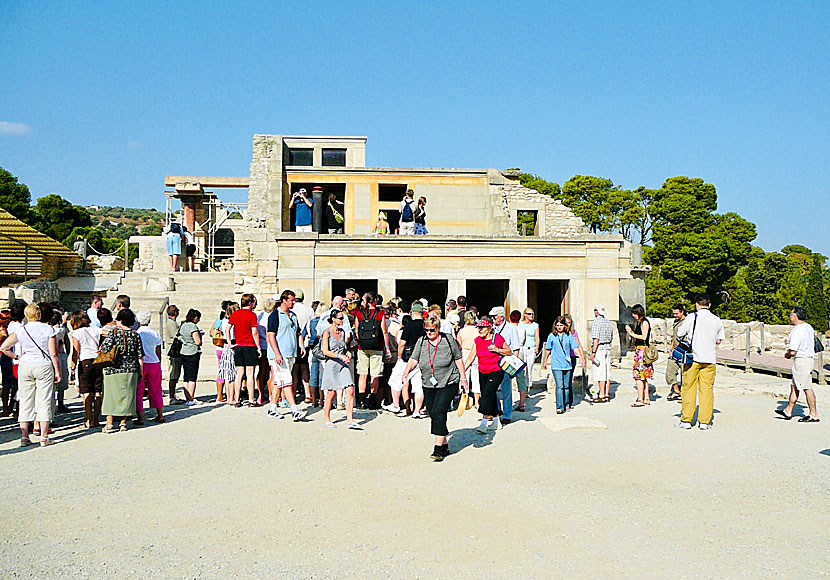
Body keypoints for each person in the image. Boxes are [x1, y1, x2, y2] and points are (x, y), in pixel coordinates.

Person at [402, 314, 467, 461]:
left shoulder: (448, 340)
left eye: (432, 330)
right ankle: (444, 444)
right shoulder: (422, 341)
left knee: (439, 410)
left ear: (438, 328)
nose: (429, 332)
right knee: (433, 412)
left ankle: (438, 448)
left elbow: (458, 358)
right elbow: (414, 359)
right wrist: (406, 372)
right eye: (426, 330)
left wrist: (463, 379)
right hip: (428, 382)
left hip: (449, 381)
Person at [0, 303, 60, 446]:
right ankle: (44, 436)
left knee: (26, 399)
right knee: (44, 399)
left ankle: (24, 436)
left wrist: (16, 356)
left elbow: (4, 347)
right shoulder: (48, 329)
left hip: (25, 364)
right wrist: (57, 371)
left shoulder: (21, 330)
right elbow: (53, 353)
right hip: (43, 364)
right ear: (39, 314)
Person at [676, 294, 725, 430]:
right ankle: (704, 421)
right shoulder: (717, 320)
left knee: (688, 388)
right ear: (709, 305)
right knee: (707, 390)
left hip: (693, 358)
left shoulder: (692, 317)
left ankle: (687, 419)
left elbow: (680, 333)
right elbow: (719, 340)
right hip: (709, 358)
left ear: (697, 304)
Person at [265, 290, 308, 421]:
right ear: (284, 300)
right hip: (279, 354)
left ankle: (272, 408)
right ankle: (294, 409)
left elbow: (298, 332)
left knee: (280, 381)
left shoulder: (293, 315)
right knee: (287, 381)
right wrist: (277, 353)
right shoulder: (275, 315)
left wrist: (301, 346)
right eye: (291, 300)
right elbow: (270, 335)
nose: (293, 302)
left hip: (290, 353)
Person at [464, 316, 512, 433]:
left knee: (486, 394)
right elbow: (471, 357)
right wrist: (463, 371)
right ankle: (496, 422)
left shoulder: (497, 338)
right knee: (490, 395)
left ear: (489, 328)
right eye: (478, 328)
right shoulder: (477, 340)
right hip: (483, 371)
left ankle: (484, 423)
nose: (480, 330)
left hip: (496, 371)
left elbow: (509, 351)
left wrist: (497, 349)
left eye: (482, 328)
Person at [99, 308, 143, 433]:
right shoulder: (136, 335)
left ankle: (109, 424)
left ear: (121, 320)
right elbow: (140, 355)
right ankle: (123, 422)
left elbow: (105, 348)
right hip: (131, 368)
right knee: (127, 396)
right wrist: (140, 371)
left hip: (113, 368)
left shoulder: (114, 332)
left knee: (110, 396)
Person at [777, 305, 820, 423]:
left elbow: (793, 350)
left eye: (791, 314)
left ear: (795, 316)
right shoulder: (808, 327)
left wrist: (787, 355)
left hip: (801, 360)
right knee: (794, 386)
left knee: (807, 387)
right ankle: (788, 410)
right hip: (808, 359)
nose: (790, 317)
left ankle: (813, 414)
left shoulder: (797, 330)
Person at [320, 308, 361, 428]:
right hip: (332, 364)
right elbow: (325, 351)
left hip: (343, 364)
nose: (343, 320)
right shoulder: (326, 332)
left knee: (350, 390)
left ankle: (350, 419)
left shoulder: (342, 332)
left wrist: (347, 352)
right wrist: (339, 356)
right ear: (333, 319)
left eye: (343, 318)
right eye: (340, 318)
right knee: (331, 393)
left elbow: (344, 347)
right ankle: (327, 418)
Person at [385, 301, 426, 415]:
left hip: (407, 358)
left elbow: (402, 343)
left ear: (412, 312)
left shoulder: (408, 326)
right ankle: (417, 410)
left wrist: (399, 356)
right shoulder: (425, 326)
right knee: (418, 386)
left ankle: (396, 405)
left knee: (395, 380)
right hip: (421, 358)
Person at [355, 291, 392, 409]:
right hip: (377, 346)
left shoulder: (359, 313)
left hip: (362, 347)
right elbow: (384, 332)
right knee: (375, 374)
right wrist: (387, 349)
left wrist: (361, 340)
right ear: (375, 300)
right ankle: (372, 400)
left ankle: (361, 400)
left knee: (362, 373)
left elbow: (356, 331)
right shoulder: (380, 314)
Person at [543, 316, 587, 414]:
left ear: (564, 326)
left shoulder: (569, 336)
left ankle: (567, 404)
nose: (559, 327)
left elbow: (575, 347)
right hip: (556, 364)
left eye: (561, 325)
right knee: (559, 385)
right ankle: (559, 406)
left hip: (567, 364)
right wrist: (545, 361)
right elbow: (548, 349)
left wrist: (581, 358)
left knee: (566, 386)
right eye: (557, 325)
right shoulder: (552, 336)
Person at [70, 311, 103, 429]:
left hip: (85, 362)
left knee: (87, 392)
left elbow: (76, 352)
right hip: (98, 360)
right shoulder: (96, 330)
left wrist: (72, 368)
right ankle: (96, 419)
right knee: (98, 391)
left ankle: (89, 421)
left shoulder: (77, 333)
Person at [490, 306, 521, 424]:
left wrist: (515, 363)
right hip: (494, 360)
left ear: (501, 317)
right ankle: (498, 410)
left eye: (494, 317)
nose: (492, 319)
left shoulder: (510, 328)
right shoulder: (492, 328)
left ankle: (507, 414)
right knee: (493, 388)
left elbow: (516, 347)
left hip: (507, 360)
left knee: (506, 389)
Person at [229, 293, 261, 407]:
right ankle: (251, 399)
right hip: (250, 345)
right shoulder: (252, 315)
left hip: (238, 345)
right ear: (250, 303)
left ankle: (237, 399)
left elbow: (228, 328)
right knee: (250, 374)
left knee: (239, 374)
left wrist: (229, 342)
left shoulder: (235, 314)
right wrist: (259, 347)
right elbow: (254, 332)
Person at [135, 310, 164, 423]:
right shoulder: (155, 333)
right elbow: (158, 350)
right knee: (156, 389)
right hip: (154, 362)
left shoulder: (137, 333)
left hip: (141, 363)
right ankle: (160, 414)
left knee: (139, 391)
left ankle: (140, 417)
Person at [625, 304, 653, 407]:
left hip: (642, 350)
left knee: (639, 376)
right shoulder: (640, 322)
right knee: (643, 376)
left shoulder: (644, 322)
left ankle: (640, 398)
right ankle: (646, 398)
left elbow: (644, 336)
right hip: (640, 350)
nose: (633, 315)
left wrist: (632, 333)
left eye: (635, 313)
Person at [292, 289, 314, 403]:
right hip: (304, 342)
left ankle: (293, 393)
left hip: (293, 341)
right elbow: (311, 327)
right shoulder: (309, 310)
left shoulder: (292, 309)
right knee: (304, 369)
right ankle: (308, 393)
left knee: (294, 369)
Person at [303, 303, 328, 406]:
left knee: (313, 375)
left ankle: (314, 399)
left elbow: (304, 334)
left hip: (313, 350)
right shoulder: (326, 322)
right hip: (323, 350)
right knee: (322, 375)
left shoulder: (311, 322)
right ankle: (322, 399)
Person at [588, 304, 615, 403]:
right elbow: (611, 338)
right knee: (607, 372)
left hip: (600, 348)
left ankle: (602, 394)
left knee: (600, 372)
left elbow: (596, 339)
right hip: (607, 347)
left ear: (597, 311)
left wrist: (593, 352)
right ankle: (607, 394)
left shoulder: (596, 322)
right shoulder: (608, 322)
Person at [178, 309, 203, 406]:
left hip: (184, 351)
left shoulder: (183, 325)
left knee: (186, 377)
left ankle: (187, 397)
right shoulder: (193, 326)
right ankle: (191, 398)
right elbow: (197, 342)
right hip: (192, 352)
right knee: (192, 377)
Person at [49, 309, 71, 414]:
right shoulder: (59, 330)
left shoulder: (49, 329)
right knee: (61, 382)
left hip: (51, 355)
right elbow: (66, 339)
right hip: (60, 354)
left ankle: (54, 403)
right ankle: (60, 402)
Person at [209, 300, 232, 403]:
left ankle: (219, 395)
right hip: (226, 347)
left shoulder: (219, 320)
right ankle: (229, 394)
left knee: (221, 370)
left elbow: (211, 332)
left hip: (219, 347)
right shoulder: (228, 320)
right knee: (229, 371)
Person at [457, 310, 481, 406]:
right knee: (476, 379)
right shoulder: (478, 331)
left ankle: (465, 399)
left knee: (464, 378)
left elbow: (459, 346)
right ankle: (477, 402)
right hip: (476, 354)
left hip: (465, 354)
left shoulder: (461, 331)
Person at [517, 308, 540, 410]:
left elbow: (536, 336)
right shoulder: (521, 324)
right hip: (522, 348)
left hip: (531, 348)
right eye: (529, 314)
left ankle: (527, 388)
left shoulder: (535, 325)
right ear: (525, 315)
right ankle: (523, 390)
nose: (531, 316)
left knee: (529, 369)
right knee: (522, 369)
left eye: (532, 314)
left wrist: (537, 346)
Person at [665, 303, 688, 402]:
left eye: (676, 313)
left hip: (684, 350)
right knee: (670, 371)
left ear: (682, 312)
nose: (675, 315)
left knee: (685, 373)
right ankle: (676, 390)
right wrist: (670, 348)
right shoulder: (676, 321)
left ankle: (685, 394)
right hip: (675, 350)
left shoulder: (687, 322)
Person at [508, 310, 530, 411]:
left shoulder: (508, 328)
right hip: (520, 351)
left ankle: (508, 402)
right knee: (521, 379)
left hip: (510, 351)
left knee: (507, 378)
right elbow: (524, 341)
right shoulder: (522, 330)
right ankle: (522, 403)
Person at [217, 302, 239, 402]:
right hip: (231, 344)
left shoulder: (223, 320)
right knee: (232, 374)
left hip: (225, 346)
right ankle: (231, 397)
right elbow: (228, 332)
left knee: (227, 373)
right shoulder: (231, 321)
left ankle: (229, 396)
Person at [163, 304, 184, 404]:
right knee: (173, 374)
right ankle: (172, 396)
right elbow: (177, 335)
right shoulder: (171, 323)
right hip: (173, 351)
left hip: (173, 350)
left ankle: (173, 395)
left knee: (175, 373)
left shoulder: (172, 322)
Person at [562, 314, 585, 404]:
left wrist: (582, 358)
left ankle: (568, 401)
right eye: (566, 323)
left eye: (569, 323)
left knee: (568, 379)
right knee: (562, 380)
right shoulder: (560, 333)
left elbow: (578, 345)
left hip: (571, 357)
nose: (568, 324)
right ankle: (561, 400)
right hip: (562, 357)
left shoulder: (573, 332)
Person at [0, 310, 16, 418]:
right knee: (8, 384)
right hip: (6, 357)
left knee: (7, 384)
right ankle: (7, 408)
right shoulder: (3, 332)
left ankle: (7, 408)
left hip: (4, 357)